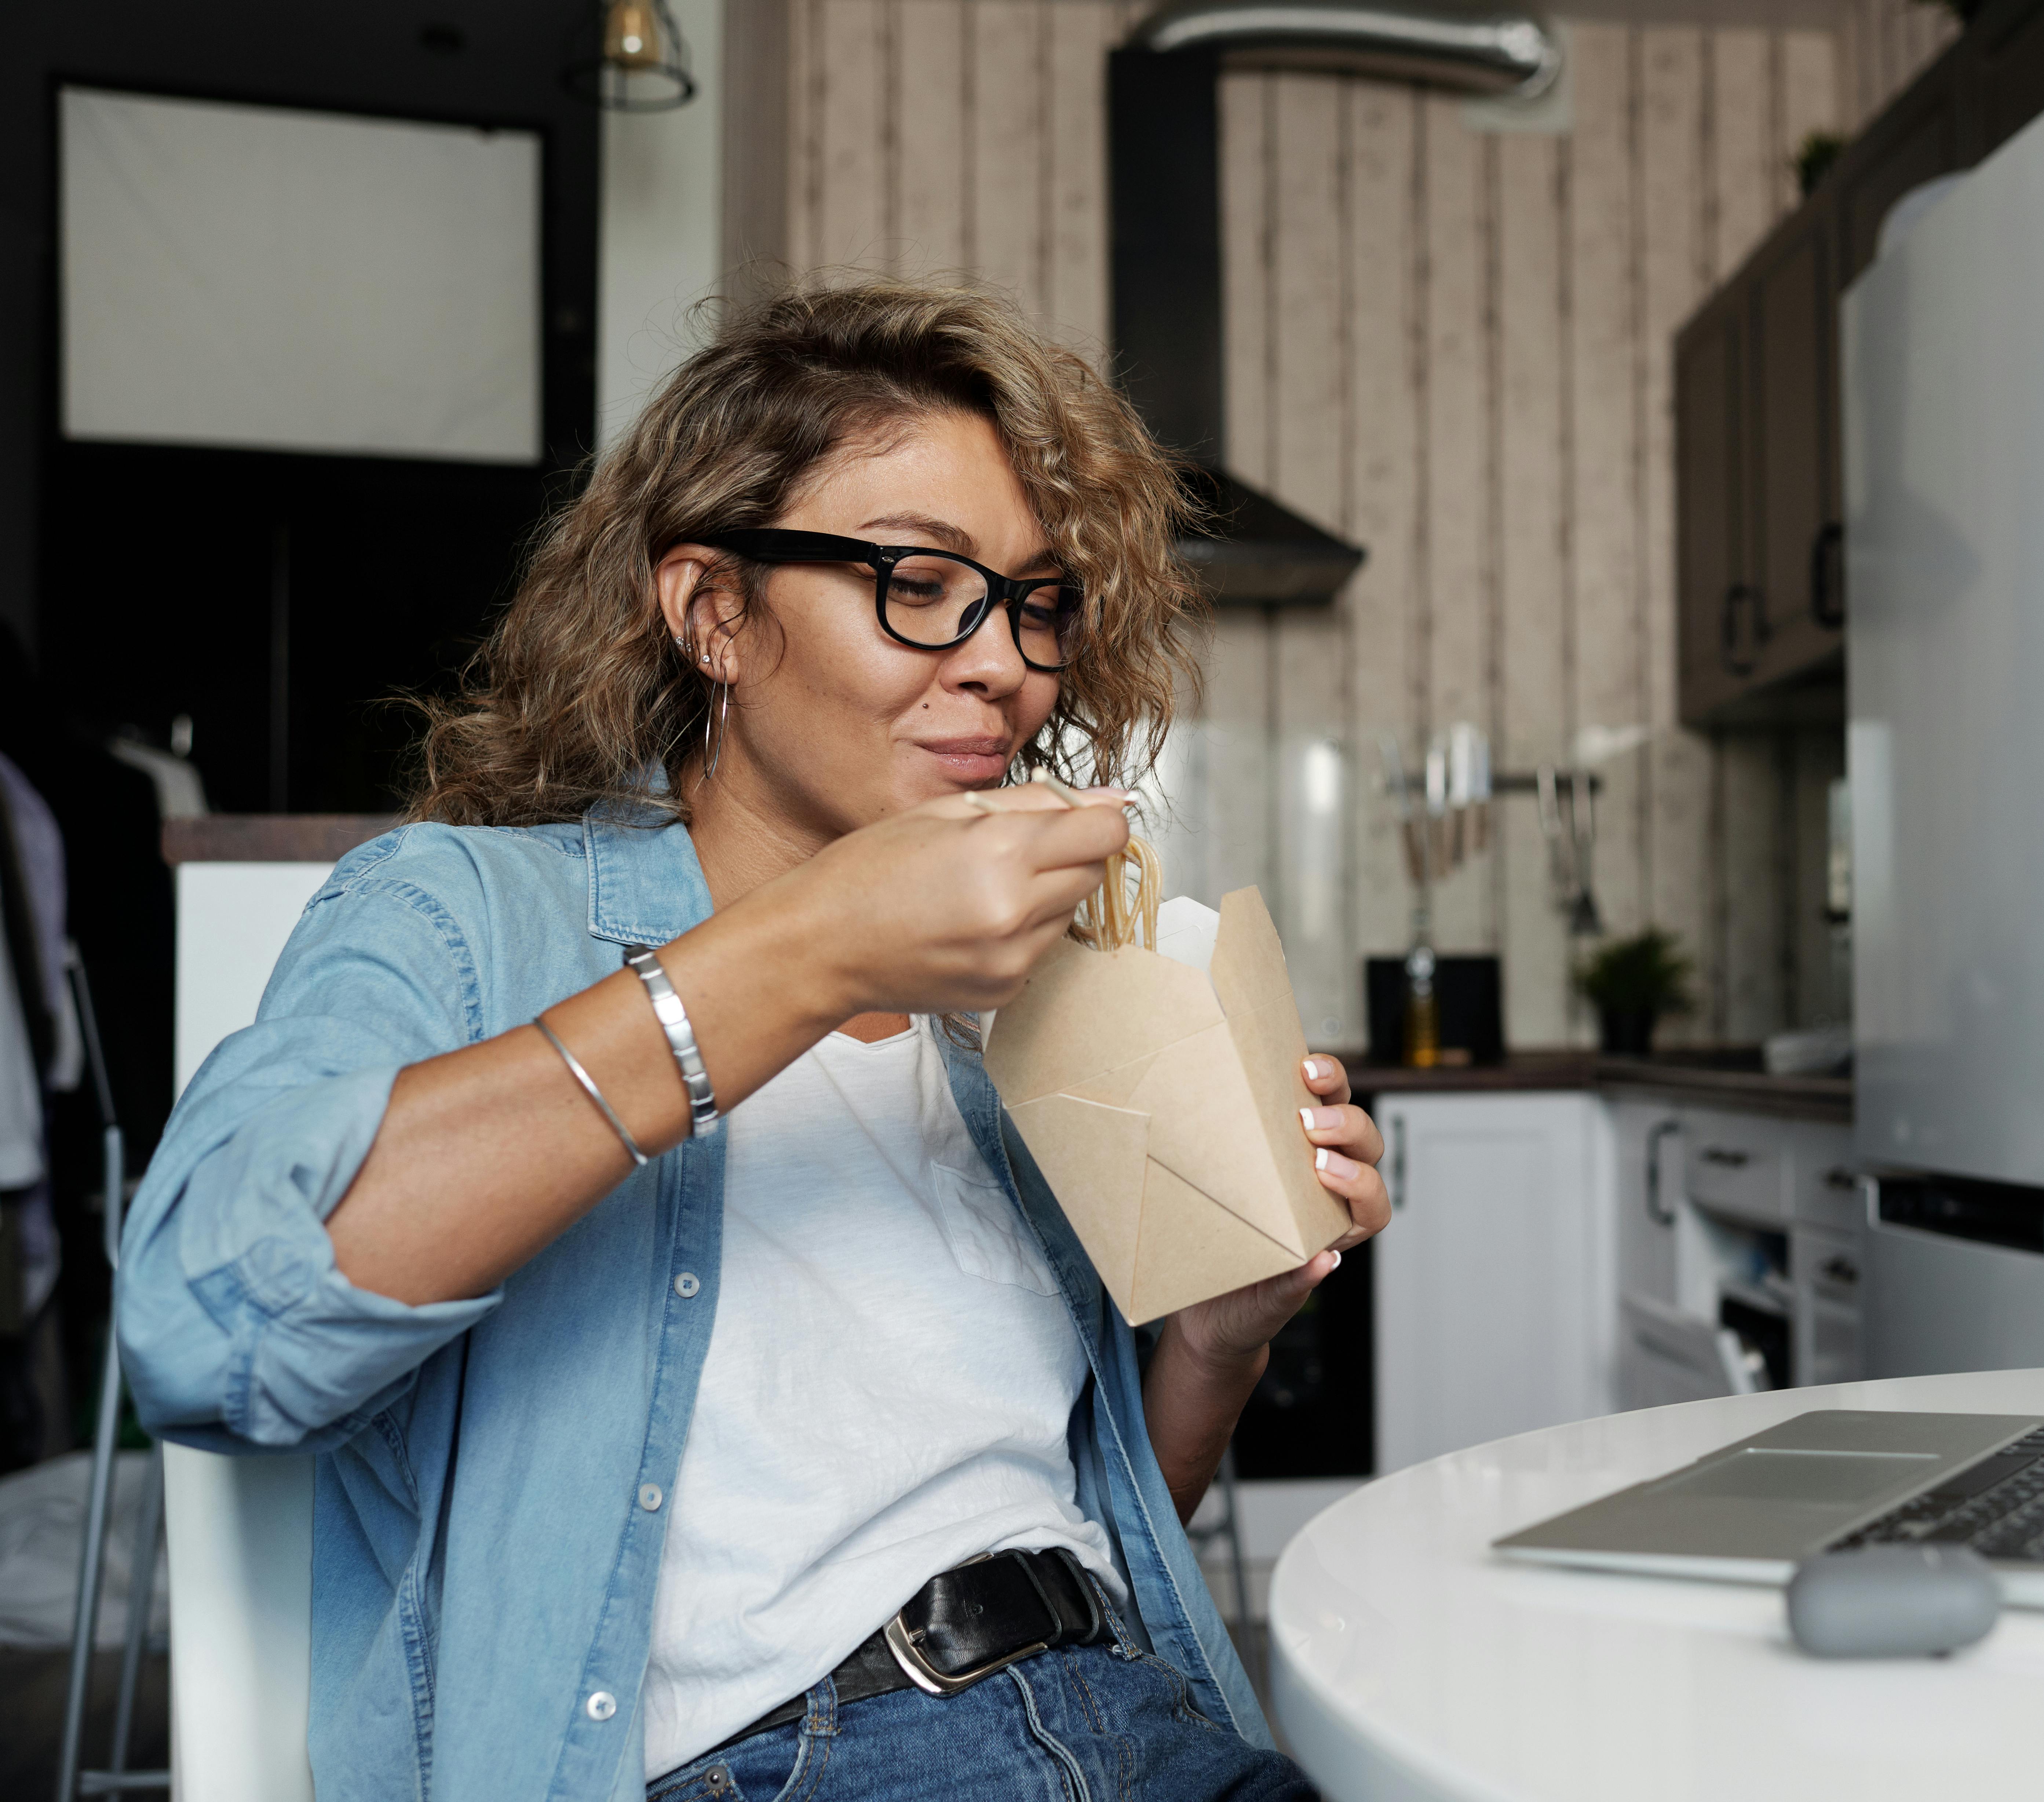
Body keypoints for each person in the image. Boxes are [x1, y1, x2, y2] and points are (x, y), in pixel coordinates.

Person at [116, 282, 1388, 1801]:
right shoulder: (468, 916)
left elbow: (1091, 1536)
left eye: (1037, 603)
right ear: (713, 611)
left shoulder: (1010, 1034)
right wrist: (810, 948)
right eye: (921, 579)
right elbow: (209, 1329)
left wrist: (1214, 1337)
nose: (1003, 663)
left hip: (1135, 1728)